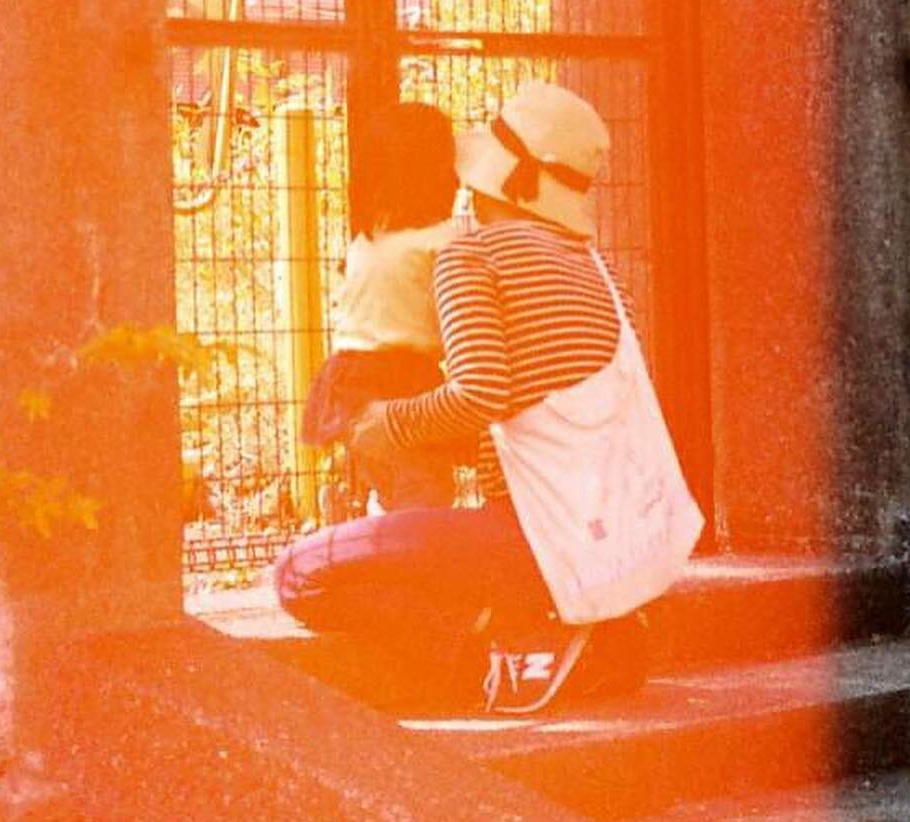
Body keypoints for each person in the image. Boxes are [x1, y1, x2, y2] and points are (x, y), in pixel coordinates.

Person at [276, 81, 702, 713]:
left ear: (499, 179)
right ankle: (580, 628)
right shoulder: (595, 268)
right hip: (617, 545)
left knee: (298, 575)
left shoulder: (471, 257)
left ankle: (508, 648)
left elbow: (479, 394)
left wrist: (384, 423)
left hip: (530, 538)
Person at [301, 102, 460, 511]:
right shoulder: (443, 241)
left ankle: (360, 511)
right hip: (398, 379)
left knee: (394, 489)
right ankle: (407, 564)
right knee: (424, 495)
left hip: (347, 379)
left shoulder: (368, 238)